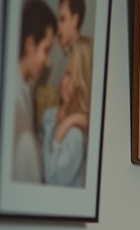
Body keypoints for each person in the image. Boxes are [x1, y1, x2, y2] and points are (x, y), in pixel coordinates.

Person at [13, 0, 56, 184]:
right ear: (30, 45)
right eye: (46, 50)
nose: (48, 62)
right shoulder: (15, 104)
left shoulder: (25, 90)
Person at [41, 36, 90, 187]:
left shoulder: (75, 135)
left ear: (80, 83)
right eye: (64, 73)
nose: (63, 79)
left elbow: (51, 179)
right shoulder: (50, 115)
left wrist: (62, 129)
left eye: (69, 74)